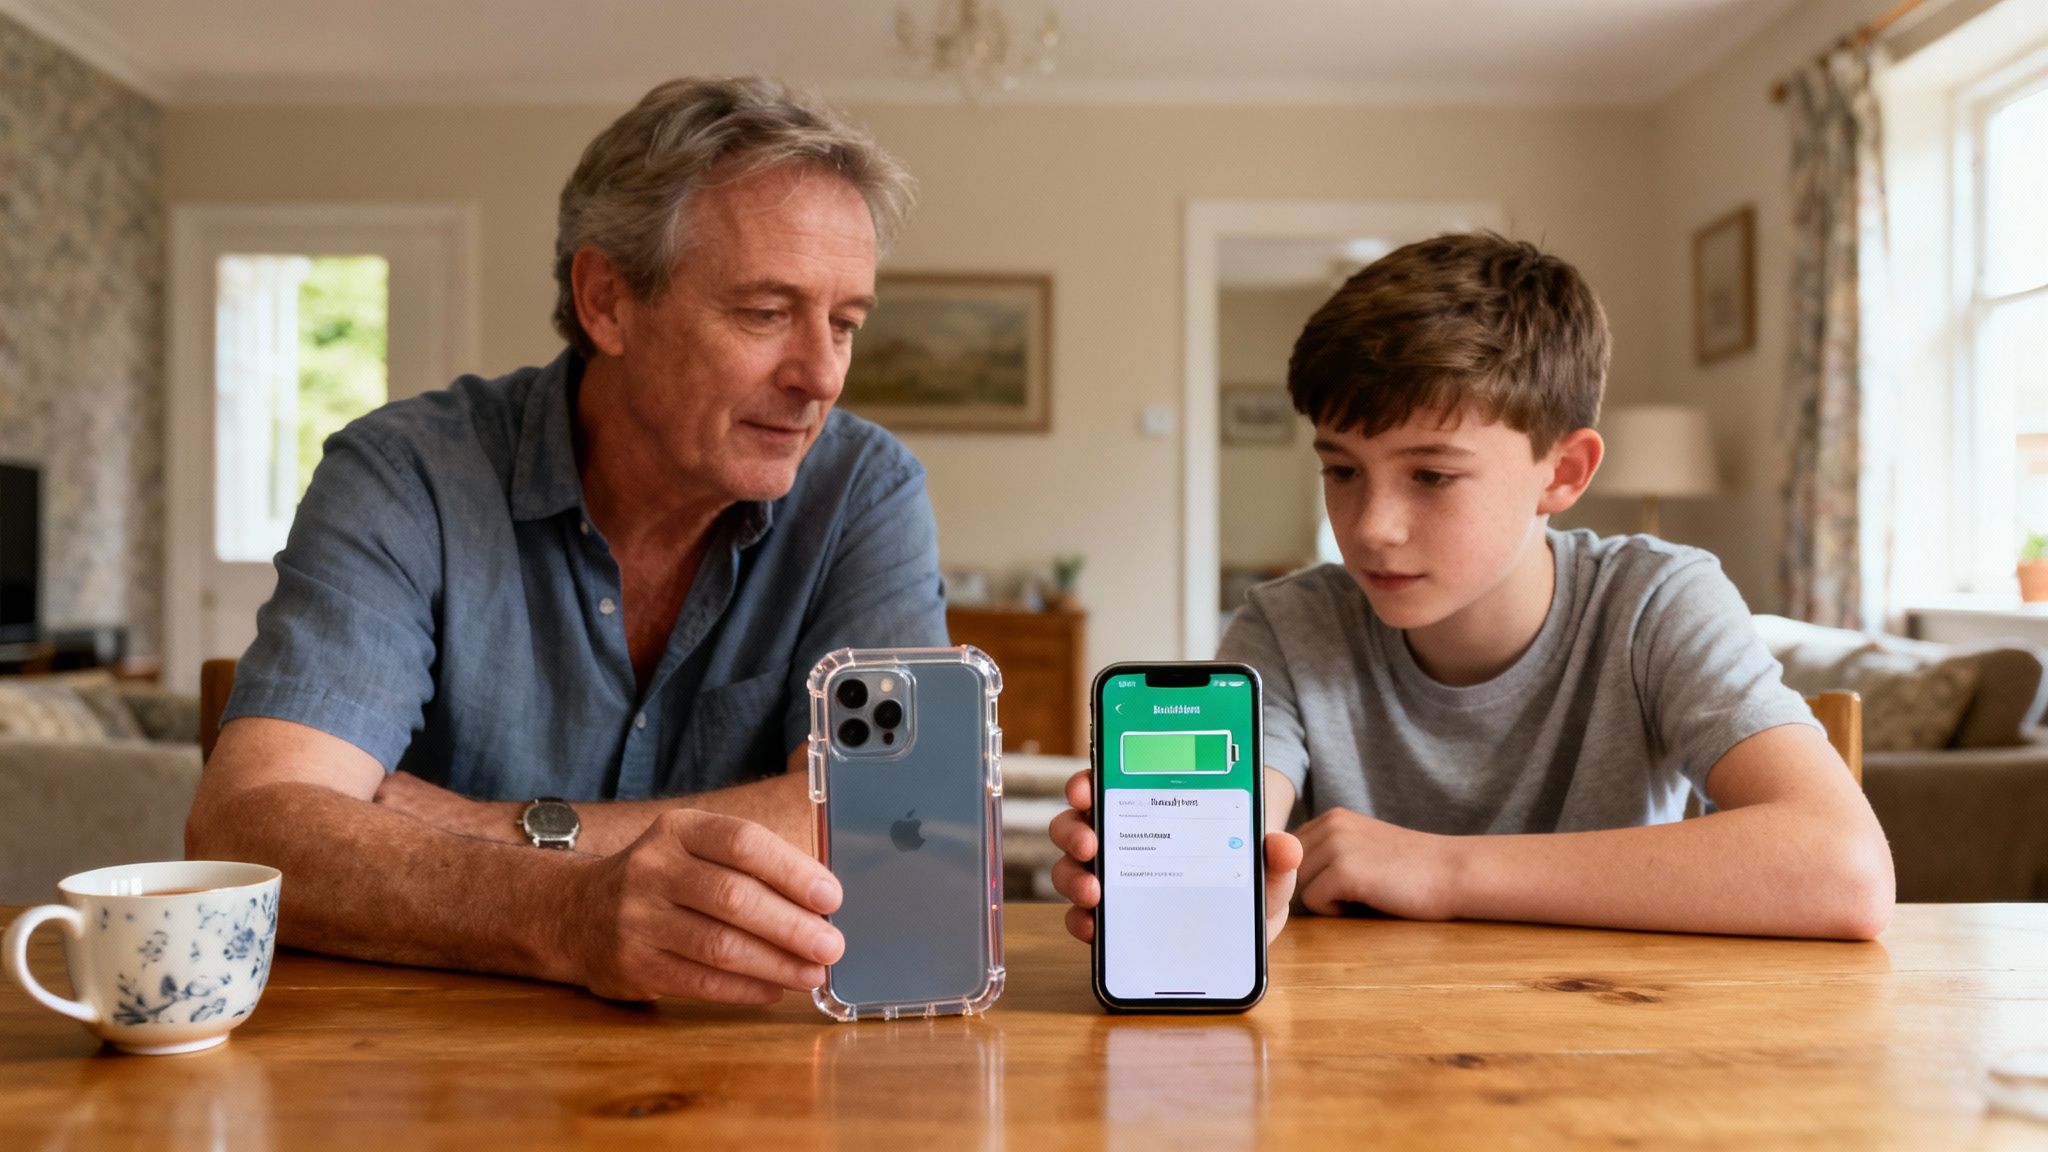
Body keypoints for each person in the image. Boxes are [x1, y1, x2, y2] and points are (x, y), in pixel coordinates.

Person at [186, 77, 947, 1005]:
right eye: (765, 313)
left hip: (753, 1071)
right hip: (419, 1064)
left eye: (845, 324)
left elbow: (904, 822)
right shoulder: (406, 475)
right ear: (606, 301)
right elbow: (251, 830)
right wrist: (565, 915)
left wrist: (506, 831)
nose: (821, 375)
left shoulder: (865, 490)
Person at [1048, 232, 1894, 945]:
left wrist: (1442, 868)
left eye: (1432, 476)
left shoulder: (1654, 600)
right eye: (1341, 469)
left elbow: (1844, 868)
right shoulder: (1288, 623)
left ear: (1562, 472)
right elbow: (1248, 815)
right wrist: (1215, 881)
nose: (1371, 524)